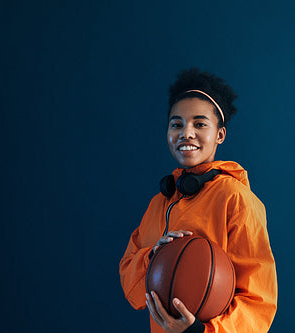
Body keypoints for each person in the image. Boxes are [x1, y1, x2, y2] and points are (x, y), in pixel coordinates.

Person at [119, 67, 278, 332]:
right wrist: (153, 257)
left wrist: (201, 331)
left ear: (220, 135)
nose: (186, 133)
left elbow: (260, 300)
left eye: (200, 124)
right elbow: (130, 283)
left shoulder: (236, 199)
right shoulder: (159, 202)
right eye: (176, 124)